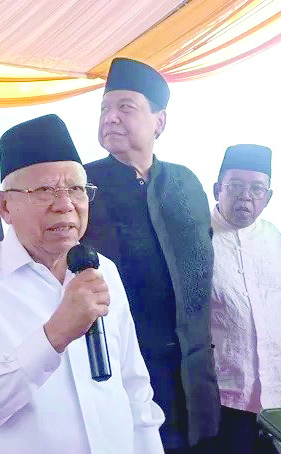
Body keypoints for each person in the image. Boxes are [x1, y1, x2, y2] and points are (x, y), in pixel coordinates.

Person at [0, 114, 164, 454]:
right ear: (4, 206)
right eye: (44, 190)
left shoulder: (104, 271)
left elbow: (134, 388)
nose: (65, 205)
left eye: (75, 189)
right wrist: (54, 335)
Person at [82, 57, 219, 452]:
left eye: (125, 107)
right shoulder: (80, 184)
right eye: (105, 109)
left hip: (192, 372)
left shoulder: (186, 182)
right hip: (121, 367)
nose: (111, 118)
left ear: (160, 121)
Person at [209, 144, 281, 453]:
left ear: (268, 196)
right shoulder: (197, 240)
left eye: (256, 188)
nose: (245, 196)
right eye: (235, 186)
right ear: (217, 189)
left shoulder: (274, 237)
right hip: (226, 395)